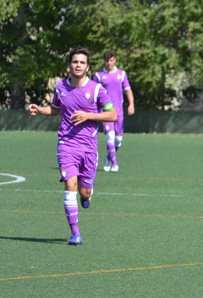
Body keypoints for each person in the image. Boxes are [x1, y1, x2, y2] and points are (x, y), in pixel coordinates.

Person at [28, 47, 117, 245]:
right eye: (75, 61)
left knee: (84, 192)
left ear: (88, 67)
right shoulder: (60, 86)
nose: (78, 65)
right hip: (66, 144)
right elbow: (55, 108)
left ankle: (87, 196)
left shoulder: (96, 89)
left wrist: (89, 115)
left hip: (89, 147)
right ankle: (75, 233)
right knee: (70, 184)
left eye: (82, 62)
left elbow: (112, 115)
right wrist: (39, 109)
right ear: (69, 65)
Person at [93, 50, 135, 172]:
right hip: (105, 111)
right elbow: (94, 93)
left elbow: (128, 90)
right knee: (110, 137)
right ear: (104, 61)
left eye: (111, 61)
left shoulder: (121, 74)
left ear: (115, 60)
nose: (109, 63)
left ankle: (109, 157)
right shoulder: (98, 76)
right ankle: (114, 163)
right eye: (107, 61)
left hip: (119, 111)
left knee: (118, 140)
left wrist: (131, 104)